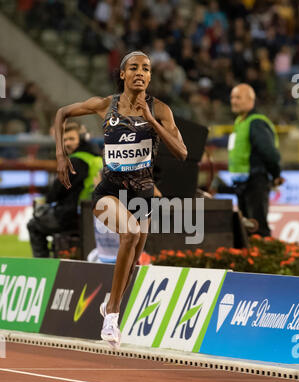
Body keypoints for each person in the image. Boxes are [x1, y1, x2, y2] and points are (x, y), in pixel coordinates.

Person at [54, 50, 187, 348]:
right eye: (134, 68)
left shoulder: (161, 110)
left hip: (142, 195)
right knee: (130, 233)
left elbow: (182, 152)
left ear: (151, 76)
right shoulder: (105, 105)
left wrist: (151, 119)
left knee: (133, 261)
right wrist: (61, 155)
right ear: (123, 74)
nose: (141, 72)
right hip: (109, 192)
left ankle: (108, 305)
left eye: (147, 69)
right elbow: (62, 112)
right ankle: (112, 316)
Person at [27, 121, 102, 257]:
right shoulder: (97, 157)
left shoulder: (74, 162)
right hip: (94, 217)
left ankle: (41, 265)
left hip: (72, 217)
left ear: (81, 139)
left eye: (71, 139)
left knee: (33, 225)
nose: (67, 143)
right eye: (65, 140)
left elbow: (55, 194)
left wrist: (45, 201)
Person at [228, 83, 284, 237]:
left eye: (238, 97)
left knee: (258, 228)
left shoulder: (256, 122)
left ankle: (264, 259)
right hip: (244, 185)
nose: (234, 101)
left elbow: (270, 153)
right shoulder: (240, 122)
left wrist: (276, 174)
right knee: (247, 229)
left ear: (251, 100)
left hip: (256, 182)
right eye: (232, 97)